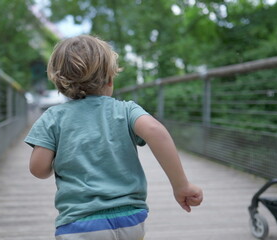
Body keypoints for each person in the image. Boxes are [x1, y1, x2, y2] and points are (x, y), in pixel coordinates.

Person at [24, 35, 203, 240]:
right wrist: (181, 186)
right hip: (131, 219)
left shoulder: (53, 118)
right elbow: (155, 131)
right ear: (110, 78)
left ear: (60, 82)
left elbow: (38, 169)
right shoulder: (126, 110)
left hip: (81, 224)